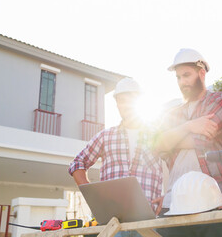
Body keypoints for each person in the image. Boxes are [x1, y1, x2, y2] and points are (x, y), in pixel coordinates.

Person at [153, 48, 222, 237]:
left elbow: (203, 140)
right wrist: (189, 126)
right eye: (179, 77)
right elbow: (157, 146)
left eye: (187, 75)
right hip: (174, 203)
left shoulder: (219, 100)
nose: (182, 82)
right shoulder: (172, 113)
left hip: (213, 201)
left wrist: (171, 138)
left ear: (202, 73)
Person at [69, 78, 162, 237]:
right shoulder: (105, 136)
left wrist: (169, 196)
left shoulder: (158, 135)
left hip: (148, 222)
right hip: (113, 224)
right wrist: (94, 198)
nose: (126, 105)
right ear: (117, 104)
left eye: (131, 100)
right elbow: (77, 164)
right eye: (122, 101)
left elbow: (177, 163)